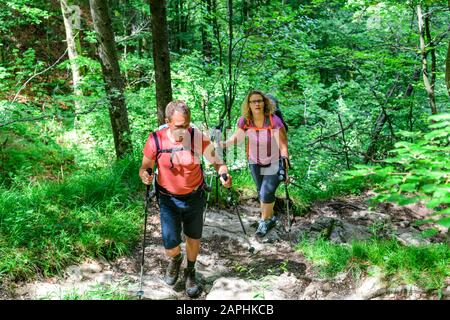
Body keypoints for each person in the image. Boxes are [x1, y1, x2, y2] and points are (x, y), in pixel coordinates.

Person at [139, 100, 231, 298]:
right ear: (167, 122)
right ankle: (175, 260)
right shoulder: (156, 139)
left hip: (194, 197)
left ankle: (190, 271)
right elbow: (145, 166)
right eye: (179, 126)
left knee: (193, 237)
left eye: (187, 125)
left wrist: (224, 174)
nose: (184, 131)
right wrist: (145, 175)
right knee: (170, 243)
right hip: (168, 199)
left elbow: (217, 162)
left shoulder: (196, 137)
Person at [220, 90, 289, 237]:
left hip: (274, 160)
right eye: (253, 101)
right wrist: (222, 144)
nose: (257, 104)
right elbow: (236, 138)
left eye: (259, 101)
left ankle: (263, 222)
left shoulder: (273, 121)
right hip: (254, 161)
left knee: (266, 191)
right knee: (261, 191)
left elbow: (283, 145)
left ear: (265, 103)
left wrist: (286, 167)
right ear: (249, 104)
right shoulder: (245, 121)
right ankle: (270, 218)